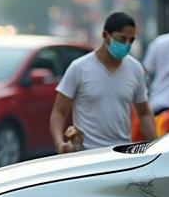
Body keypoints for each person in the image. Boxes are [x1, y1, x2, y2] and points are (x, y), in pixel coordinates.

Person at [49, 12, 156, 153]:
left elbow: (144, 113)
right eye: (122, 39)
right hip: (86, 153)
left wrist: (156, 146)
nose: (127, 45)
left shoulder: (135, 68)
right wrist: (59, 143)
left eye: (131, 40)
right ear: (105, 35)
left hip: (122, 153)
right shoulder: (79, 68)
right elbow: (59, 112)